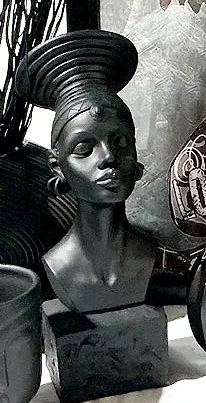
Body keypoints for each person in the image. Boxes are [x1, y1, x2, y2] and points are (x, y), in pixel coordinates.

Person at [16, 30, 157, 313]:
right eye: (84, 148)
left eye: (121, 142)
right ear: (58, 166)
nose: (109, 158)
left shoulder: (151, 253)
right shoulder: (60, 264)